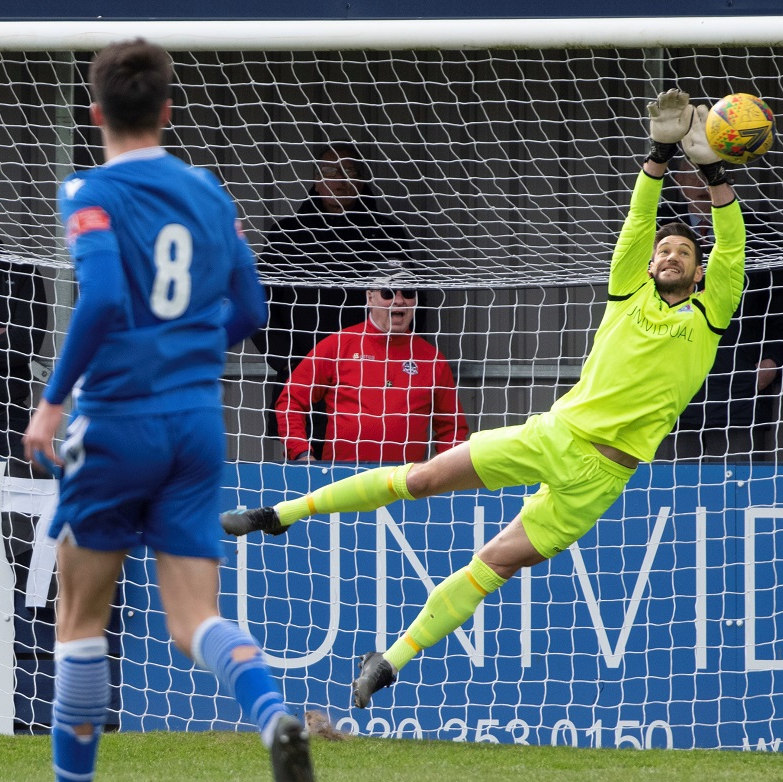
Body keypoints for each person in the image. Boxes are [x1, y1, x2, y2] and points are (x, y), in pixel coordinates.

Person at [221, 88, 747, 711]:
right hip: (556, 436)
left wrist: (711, 172)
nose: (668, 254)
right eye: (664, 249)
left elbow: (731, 240)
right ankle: (279, 514)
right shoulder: (627, 291)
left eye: (682, 252)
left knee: (495, 563)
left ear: (700, 270)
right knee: (420, 481)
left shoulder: (710, 313)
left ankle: (389, 662)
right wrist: (658, 156)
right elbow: (638, 219)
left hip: (605, 476)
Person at [0, 38, 317, 782]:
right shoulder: (208, 194)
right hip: (195, 424)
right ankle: (276, 715)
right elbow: (252, 305)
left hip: (117, 421)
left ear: (96, 113)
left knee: (79, 617)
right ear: (169, 110)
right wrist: (187, 346)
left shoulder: (89, 190)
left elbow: (101, 293)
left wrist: (50, 403)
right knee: (195, 618)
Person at [252, 144, 421, 456]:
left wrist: (393, 367)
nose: (338, 180)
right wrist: (291, 363)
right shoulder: (287, 235)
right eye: (329, 172)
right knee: (308, 481)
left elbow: (409, 304)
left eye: (348, 172)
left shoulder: (387, 235)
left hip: (373, 382)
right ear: (315, 180)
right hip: (302, 377)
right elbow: (259, 305)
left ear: (361, 181)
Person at [657, 159, 783, 461]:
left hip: (740, 384)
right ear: (677, 178)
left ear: (726, 174)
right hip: (668, 384)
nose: (699, 180)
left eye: (706, 170)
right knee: (670, 490)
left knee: (739, 491)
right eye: (691, 170)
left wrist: (773, 361)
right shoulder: (657, 230)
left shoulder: (760, 233)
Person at [276, 267, 468, 463]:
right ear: (370, 297)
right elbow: (290, 399)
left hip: (404, 483)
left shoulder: (432, 359)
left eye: (408, 293)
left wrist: (439, 473)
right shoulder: (339, 345)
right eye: (388, 293)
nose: (399, 300)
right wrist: (300, 452)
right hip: (342, 480)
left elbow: (453, 427)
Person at [0, 172, 48, 462]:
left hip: (7, 422)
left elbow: (23, 345)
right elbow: (7, 344)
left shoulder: (22, 271)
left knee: (16, 504)